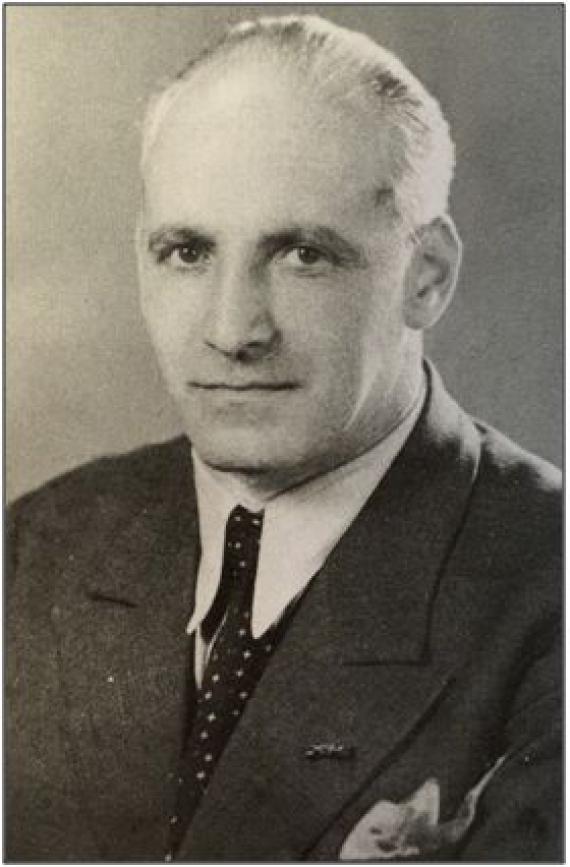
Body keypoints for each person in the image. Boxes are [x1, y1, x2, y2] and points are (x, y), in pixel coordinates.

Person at [6, 15, 561, 862]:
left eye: (303, 254)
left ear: (427, 276)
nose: (232, 330)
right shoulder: (36, 549)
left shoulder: (547, 587)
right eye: (187, 252)